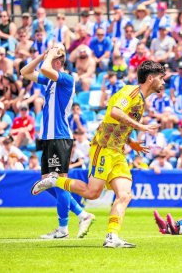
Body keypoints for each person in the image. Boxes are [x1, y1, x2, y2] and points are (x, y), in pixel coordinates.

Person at [31, 61, 165, 248]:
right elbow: (115, 112)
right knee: (92, 193)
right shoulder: (131, 92)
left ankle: (112, 237)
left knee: (125, 195)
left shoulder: (141, 100)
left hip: (118, 152)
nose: (163, 82)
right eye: (161, 77)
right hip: (103, 148)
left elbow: (117, 124)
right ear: (150, 78)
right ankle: (55, 180)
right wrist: (140, 126)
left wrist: (131, 142)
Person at [20, 45, 95, 239]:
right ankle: (82, 213)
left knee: (58, 182)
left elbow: (45, 69)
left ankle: (63, 229)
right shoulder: (50, 81)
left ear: (59, 62)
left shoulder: (66, 79)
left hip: (59, 136)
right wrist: (41, 56)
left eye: (54, 58)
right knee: (49, 181)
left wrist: (53, 54)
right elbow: (24, 72)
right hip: (49, 138)